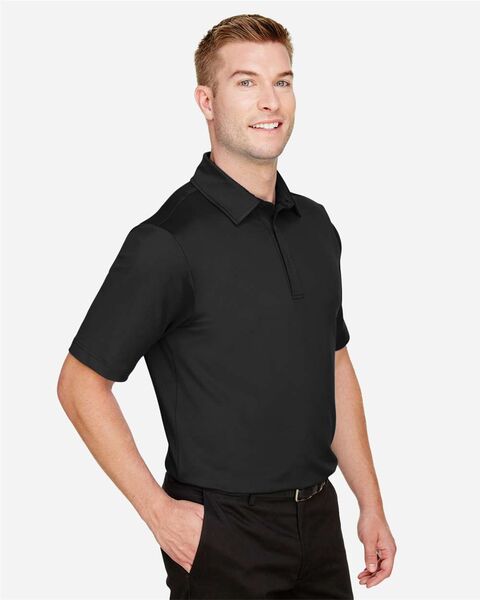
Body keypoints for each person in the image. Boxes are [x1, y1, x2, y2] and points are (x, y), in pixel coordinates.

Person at [57, 13, 396, 600]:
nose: (270, 101)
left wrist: (370, 503)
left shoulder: (315, 227)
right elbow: (80, 383)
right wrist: (160, 514)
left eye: (282, 81)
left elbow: (334, 363)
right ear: (206, 101)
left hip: (320, 522)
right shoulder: (167, 241)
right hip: (222, 532)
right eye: (246, 82)